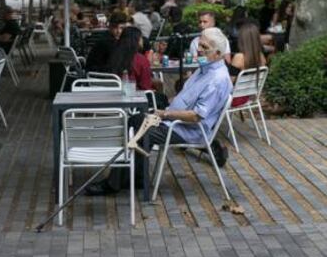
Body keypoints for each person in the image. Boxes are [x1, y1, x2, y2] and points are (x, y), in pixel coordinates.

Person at [85, 27, 232, 195]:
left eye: (205, 48)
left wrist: (164, 114)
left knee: (139, 131)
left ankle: (113, 184)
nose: (199, 50)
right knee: (134, 120)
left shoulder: (217, 79)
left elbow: (196, 116)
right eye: (200, 44)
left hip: (187, 129)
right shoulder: (204, 69)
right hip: (174, 121)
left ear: (219, 53)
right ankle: (138, 178)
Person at [227, 22, 267, 107]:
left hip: (234, 99)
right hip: (249, 97)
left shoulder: (239, 57)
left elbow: (229, 83)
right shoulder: (261, 57)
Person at [106, 26, 153, 91]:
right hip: (135, 97)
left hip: (114, 95)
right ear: (137, 40)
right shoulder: (141, 60)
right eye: (141, 37)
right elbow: (145, 87)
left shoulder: (113, 56)